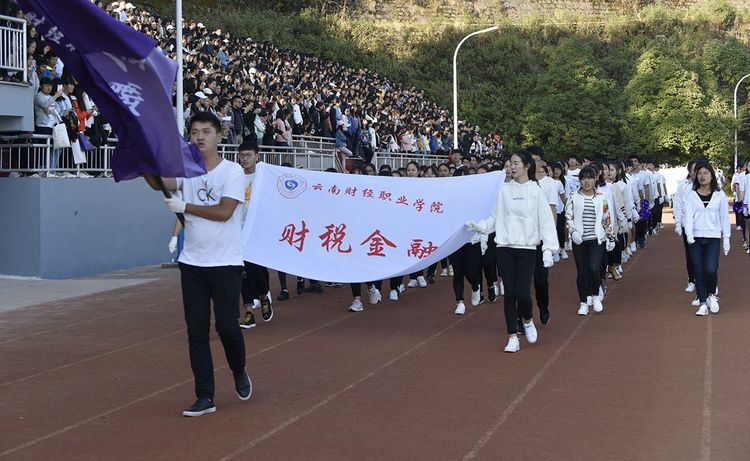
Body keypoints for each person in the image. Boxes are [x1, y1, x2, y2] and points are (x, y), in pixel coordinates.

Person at [144, 112, 251, 417]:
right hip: (193, 263)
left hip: (226, 262)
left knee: (227, 327)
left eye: (206, 131)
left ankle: (238, 369)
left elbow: (224, 212)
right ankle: (205, 396)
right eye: (194, 132)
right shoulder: (187, 170)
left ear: (220, 135)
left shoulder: (232, 171)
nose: (200, 137)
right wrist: (143, 163)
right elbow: (159, 183)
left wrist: (185, 207)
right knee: (197, 332)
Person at [466, 150, 558, 353]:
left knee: (523, 293)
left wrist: (549, 249)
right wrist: (481, 227)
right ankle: (512, 337)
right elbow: (495, 217)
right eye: (510, 163)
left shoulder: (536, 191)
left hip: (527, 248)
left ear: (527, 166)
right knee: (510, 293)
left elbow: (546, 221)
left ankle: (527, 320)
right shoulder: (504, 190)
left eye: (516, 163)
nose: (512, 167)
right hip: (505, 247)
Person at [566, 167, 615, 316]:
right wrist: (573, 231)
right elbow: (568, 216)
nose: (586, 182)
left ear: (595, 179)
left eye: (590, 178)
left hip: (596, 239)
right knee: (582, 271)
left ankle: (595, 295)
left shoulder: (601, 196)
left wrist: (610, 237)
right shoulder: (574, 196)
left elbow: (606, 218)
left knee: (594, 268)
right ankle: (583, 302)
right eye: (583, 178)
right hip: (579, 240)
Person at [684, 161, 730, 316]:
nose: (702, 176)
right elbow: (688, 217)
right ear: (696, 176)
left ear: (711, 175)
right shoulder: (691, 195)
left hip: (713, 237)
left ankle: (711, 295)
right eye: (700, 173)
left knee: (711, 269)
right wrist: (689, 234)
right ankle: (703, 303)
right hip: (695, 238)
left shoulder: (719, 195)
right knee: (699, 270)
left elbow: (724, 217)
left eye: (706, 173)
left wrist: (726, 238)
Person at [237, 141, 273, 329]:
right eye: (242, 155)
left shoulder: (264, 176)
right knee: (240, 272)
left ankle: (264, 294)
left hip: (257, 229)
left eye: (249, 155)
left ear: (257, 156)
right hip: (237, 230)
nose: (245, 159)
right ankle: (249, 313)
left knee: (254, 268)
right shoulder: (235, 176)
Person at [673, 159, 698, 293]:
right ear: (689, 171)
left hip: (703, 225)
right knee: (691, 253)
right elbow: (677, 203)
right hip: (687, 224)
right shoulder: (683, 185)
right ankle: (692, 279)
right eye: (694, 170)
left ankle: (708, 281)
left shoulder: (708, 185)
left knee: (704, 254)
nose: (696, 173)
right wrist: (678, 223)